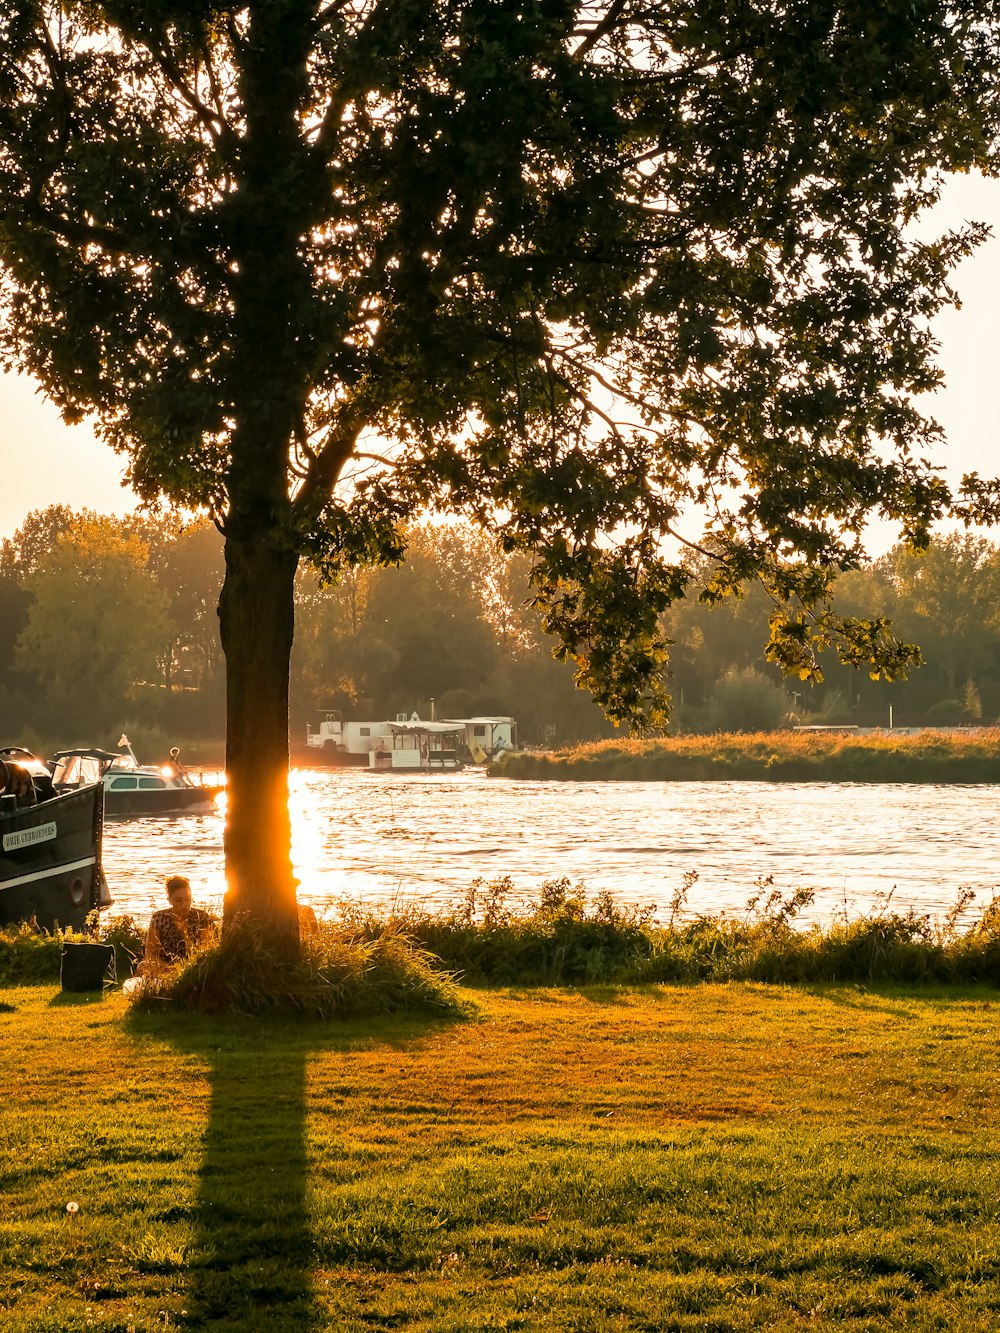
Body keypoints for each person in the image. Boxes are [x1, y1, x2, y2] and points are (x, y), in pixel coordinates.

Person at [142, 875, 214, 971]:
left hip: (195, 967)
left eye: (187, 899)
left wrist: (190, 968)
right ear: (169, 900)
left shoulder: (201, 917)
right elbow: (150, 954)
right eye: (178, 900)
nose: (184, 904)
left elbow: (207, 950)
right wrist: (169, 968)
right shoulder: (159, 918)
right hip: (165, 967)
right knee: (143, 966)